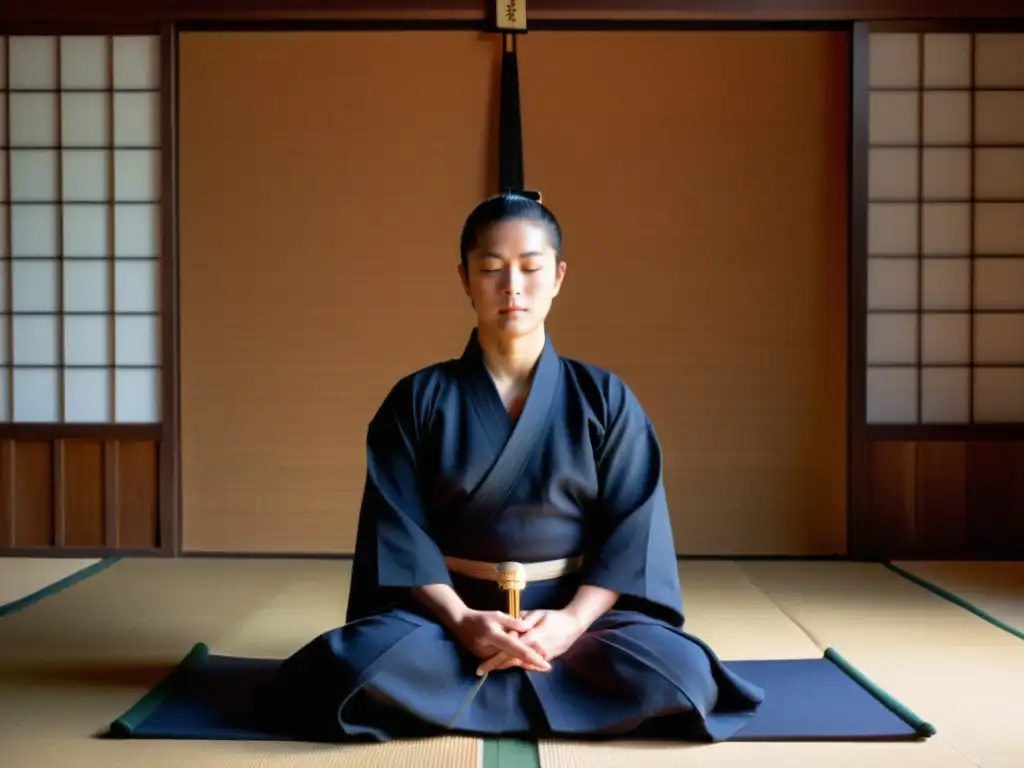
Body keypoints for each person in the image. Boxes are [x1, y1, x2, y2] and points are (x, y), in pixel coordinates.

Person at [257, 193, 765, 742]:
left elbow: (631, 532)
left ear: (559, 275)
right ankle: (535, 682)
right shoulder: (417, 399)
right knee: (349, 670)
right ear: (465, 278)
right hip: (447, 622)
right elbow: (398, 530)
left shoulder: (604, 399)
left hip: (579, 620)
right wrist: (463, 620)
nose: (512, 287)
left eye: (530, 267)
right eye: (492, 269)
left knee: (682, 675)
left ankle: (483, 686)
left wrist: (570, 623)